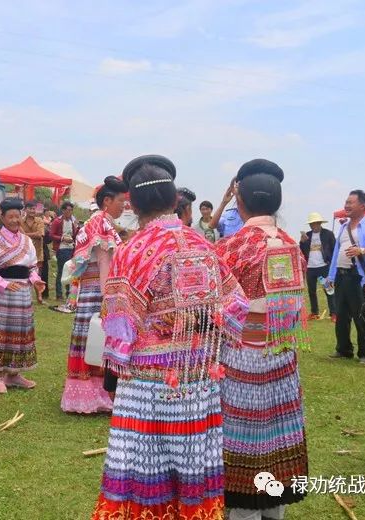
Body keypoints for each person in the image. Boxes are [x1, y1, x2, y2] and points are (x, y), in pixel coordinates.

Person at [93, 156, 249, 520]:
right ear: (175, 198)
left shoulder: (132, 250)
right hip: (198, 379)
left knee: (142, 466)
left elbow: (118, 323)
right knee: (194, 465)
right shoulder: (203, 244)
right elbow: (236, 304)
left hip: (145, 385)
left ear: (131, 202)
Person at [215, 159, 309, 520]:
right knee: (275, 435)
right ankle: (274, 509)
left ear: (240, 202)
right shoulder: (291, 245)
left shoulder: (230, 248)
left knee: (243, 438)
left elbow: (215, 305)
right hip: (282, 354)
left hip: (240, 358)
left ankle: (243, 511)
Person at [60, 177, 127, 414]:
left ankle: (93, 394)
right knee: (97, 339)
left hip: (91, 288)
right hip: (97, 289)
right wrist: (108, 297)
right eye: (121, 201)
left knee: (91, 338)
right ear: (107, 201)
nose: (124, 206)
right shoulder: (101, 224)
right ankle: (94, 395)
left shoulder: (96, 222)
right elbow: (104, 261)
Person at [0, 197, 46, 393]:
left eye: (17, 216)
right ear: (2, 217)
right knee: (1, 333)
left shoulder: (27, 240)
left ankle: (14, 374)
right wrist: (3, 283)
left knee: (20, 332)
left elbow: (32, 266)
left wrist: (36, 280)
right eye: (10, 216)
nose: (14, 220)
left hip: (22, 293)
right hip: (1, 294)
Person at [326, 190, 365, 365]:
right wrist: (331, 275)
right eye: (346, 202)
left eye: (350, 202)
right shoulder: (344, 227)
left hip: (358, 277)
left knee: (362, 316)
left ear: (362, 205)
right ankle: (343, 349)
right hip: (342, 276)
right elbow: (337, 251)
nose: (346, 205)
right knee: (341, 315)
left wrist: (362, 250)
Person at [299, 212, 336, 321]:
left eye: (315, 223)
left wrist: (333, 265)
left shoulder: (328, 234)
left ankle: (334, 313)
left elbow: (334, 250)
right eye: (311, 224)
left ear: (320, 223)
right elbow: (301, 251)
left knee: (328, 289)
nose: (313, 226)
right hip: (310, 268)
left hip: (323, 267)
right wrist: (302, 242)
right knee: (312, 291)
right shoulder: (307, 235)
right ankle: (314, 312)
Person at [50, 201, 79, 301]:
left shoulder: (73, 221)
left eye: (71, 210)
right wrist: (62, 238)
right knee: (62, 270)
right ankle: (59, 294)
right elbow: (51, 234)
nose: (70, 212)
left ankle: (69, 293)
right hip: (62, 248)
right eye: (68, 210)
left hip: (72, 248)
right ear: (63, 210)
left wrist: (77, 227)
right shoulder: (57, 221)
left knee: (71, 271)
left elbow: (76, 235)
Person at [20, 200, 45, 279]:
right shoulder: (20, 221)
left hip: (38, 254)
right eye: (30, 209)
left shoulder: (39, 220)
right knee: (25, 276)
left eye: (34, 209)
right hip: (24, 254)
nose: (32, 211)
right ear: (25, 209)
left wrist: (24, 235)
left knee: (37, 278)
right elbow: (18, 236)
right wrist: (34, 234)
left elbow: (40, 234)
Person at [40, 210, 54, 299]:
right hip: (33, 250)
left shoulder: (45, 227)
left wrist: (47, 230)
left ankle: (45, 294)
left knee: (44, 273)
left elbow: (49, 240)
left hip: (43, 251)